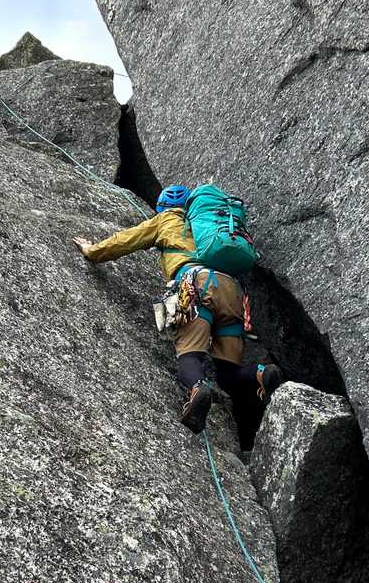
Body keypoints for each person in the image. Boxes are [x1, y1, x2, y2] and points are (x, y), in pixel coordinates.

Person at [74, 184, 282, 450]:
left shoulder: (165, 219)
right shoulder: (210, 224)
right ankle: (263, 373)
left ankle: (197, 389)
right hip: (232, 292)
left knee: (190, 355)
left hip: (196, 286)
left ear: (162, 207)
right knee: (229, 373)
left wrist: (92, 250)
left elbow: (125, 240)